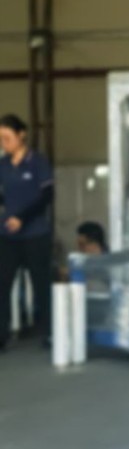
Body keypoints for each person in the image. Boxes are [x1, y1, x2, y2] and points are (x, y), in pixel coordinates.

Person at [0, 114, 54, 350]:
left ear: (21, 135)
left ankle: (50, 332)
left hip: (35, 234)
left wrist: (22, 218)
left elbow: (47, 196)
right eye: (1, 140)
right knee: (2, 284)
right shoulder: (3, 164)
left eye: (7, 138)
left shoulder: (38, 162)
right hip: (7, 235)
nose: (4, 143)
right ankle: (1, 335)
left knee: (41, 284)